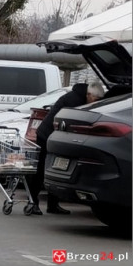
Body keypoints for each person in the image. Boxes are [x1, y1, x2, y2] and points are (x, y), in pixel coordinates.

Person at [27, 81, 105, 215]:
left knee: (57, 169)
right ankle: (32, 202)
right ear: (89, 94)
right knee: (42, 170)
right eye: (96, 100)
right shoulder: (74, 101)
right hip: (47, 135)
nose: (96, 103)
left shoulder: (80, 98)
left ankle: (52, 205)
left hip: (56, 136)